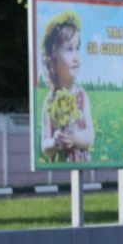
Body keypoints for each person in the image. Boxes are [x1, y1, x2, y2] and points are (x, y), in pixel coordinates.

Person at [40, 10, 94, 163]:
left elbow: (90, 136)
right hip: (60, 171)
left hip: (82, 168)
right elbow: (44, 145)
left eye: (77, 48)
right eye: (69, 49)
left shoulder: (81, 96)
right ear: (53, 60)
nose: (76, 57)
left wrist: (75, 138)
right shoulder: (50, 101)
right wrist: (54, 142)